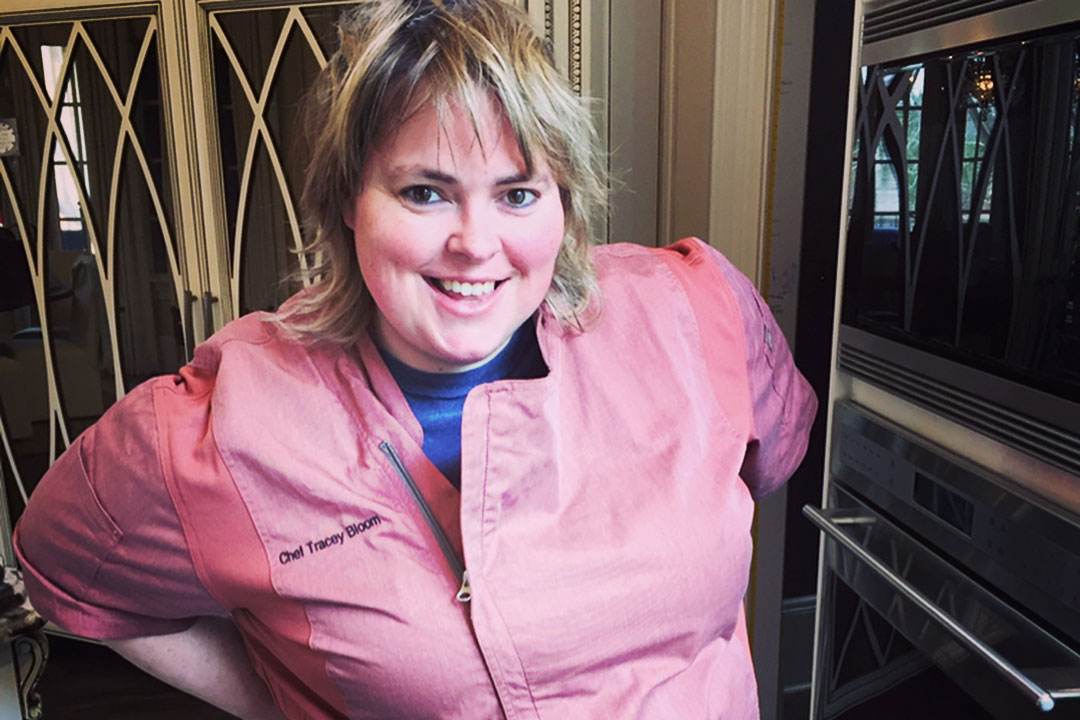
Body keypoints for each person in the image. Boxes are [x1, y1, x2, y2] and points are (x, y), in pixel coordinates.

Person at [14, 1, 817, 718]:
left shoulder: (695, 308)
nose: (475, 244)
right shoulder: (220, 428)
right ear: (345, 203)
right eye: (425, 192)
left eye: (518, 193)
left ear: (564, 204)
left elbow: (766, 460)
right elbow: (66, 563)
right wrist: (281, 701)